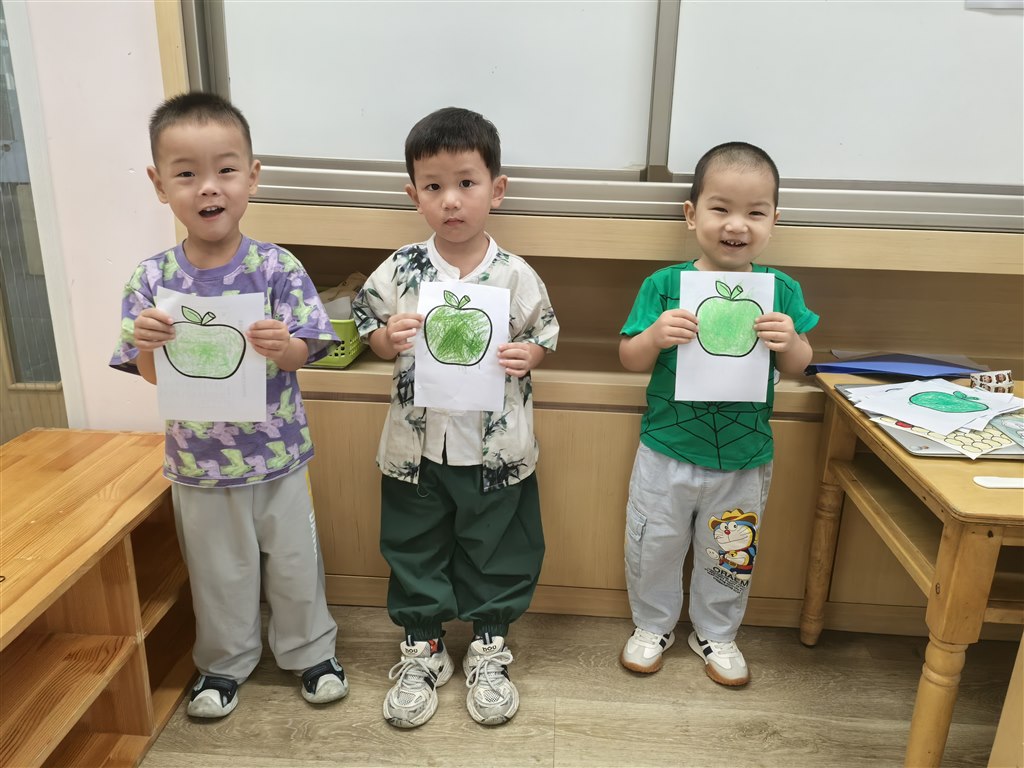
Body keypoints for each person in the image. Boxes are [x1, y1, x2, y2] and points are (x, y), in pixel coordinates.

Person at [110, 92, 347, 718]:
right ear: (160, 185)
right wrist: (148, 345)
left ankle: (311, 651)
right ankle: (223, 663)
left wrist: (283, 346)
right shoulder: (150, 280)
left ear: (252, 176)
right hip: (198, 464)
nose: (208, 187)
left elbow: (305, 353)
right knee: (218, 572)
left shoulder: (277, 268)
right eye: (187, 173)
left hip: (279, 457)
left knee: (294, 562)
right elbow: (152, 376)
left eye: (225, 169)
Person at [352, 107, 559, 728]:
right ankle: (424, 645)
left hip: (494, 448)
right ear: (413, 194)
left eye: (466, 183)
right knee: (413, 543)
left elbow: (543, 333)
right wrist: (387, 337)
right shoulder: (402, 268)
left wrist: (529, 355)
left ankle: (490, 644)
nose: (451, 200)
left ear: (496, 189)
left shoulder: (515, 273)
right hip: (415, 448)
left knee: (500, 544)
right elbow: (368, 326)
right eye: (434, 186)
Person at [617, 142, 818, 686]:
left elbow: (801, 366)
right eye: (721, 208)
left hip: (745, 454)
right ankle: (652, 625)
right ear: (691, 214)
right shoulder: (664, 285)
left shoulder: (781, 290)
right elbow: (630, 357)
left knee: (730, 551)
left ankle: (717, 632)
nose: (737, 225)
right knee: (654, 545)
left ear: (774, 220)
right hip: (666, 447)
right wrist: (656, 335)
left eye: (756, 212)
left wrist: (790, 340)